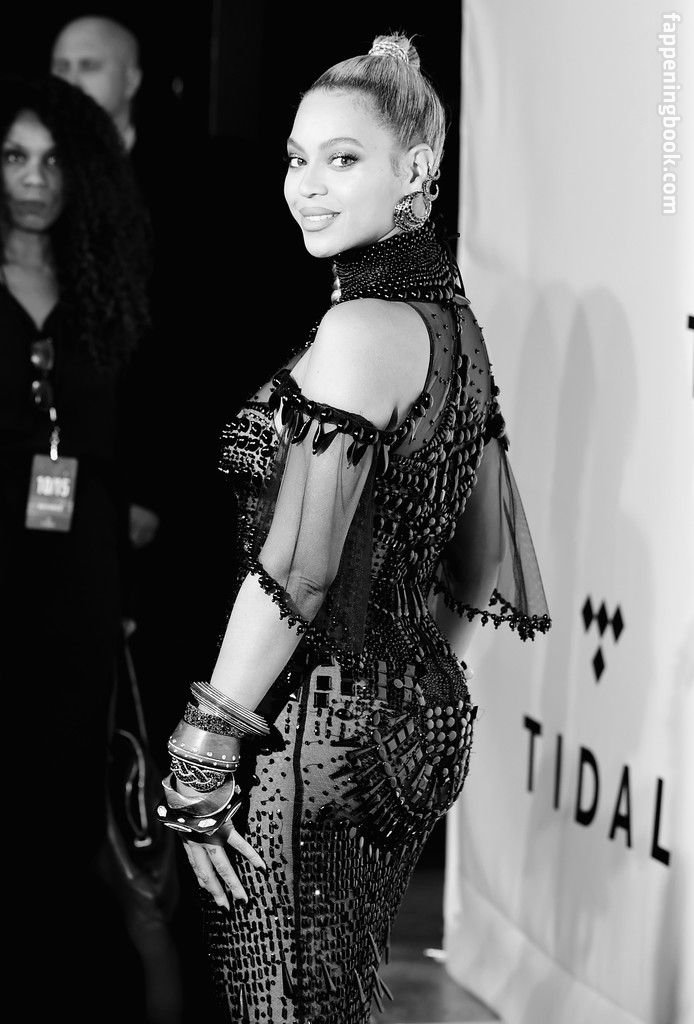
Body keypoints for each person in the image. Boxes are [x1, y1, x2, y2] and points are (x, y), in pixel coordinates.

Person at [156, 32, 551, 1024]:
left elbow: (297, 570)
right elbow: (481, 556)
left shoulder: (359, 330)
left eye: (342, 159)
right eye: (298, 159)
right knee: (332, 997)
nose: (308, 186)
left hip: (314, 731)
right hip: (416, 725)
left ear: (415, 170)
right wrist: (407, 688)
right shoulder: (453, 325)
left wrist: (206, 742)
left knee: (285, 1004)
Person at [0, 74, 152, 1018]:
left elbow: (138, 430)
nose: (33, 179)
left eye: (54, 160)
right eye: (14, 157)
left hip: (79, 563)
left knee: (63, 775)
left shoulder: (106, 288)